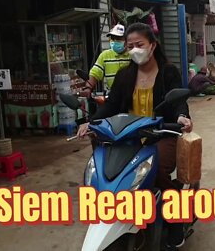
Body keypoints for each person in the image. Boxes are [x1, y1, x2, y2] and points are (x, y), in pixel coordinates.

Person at [77, 23, 193, 247]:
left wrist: (181, 117)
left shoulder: (168, 71)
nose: (134, 50)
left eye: (139, 44)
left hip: (160, 134)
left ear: (152, 45)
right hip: (127, 136)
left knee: (157, 172)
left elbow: (178, 101)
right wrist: (90, 122)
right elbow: (110, 106)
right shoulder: (125, 75)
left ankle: (177, 219)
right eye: (130, 46)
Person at [88, 23, 131, 91]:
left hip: (131, 94)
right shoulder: (105, 55)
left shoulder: (132, 55)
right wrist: (88, 87)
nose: (115, 41)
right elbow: (95, 73)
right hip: (112, 94)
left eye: (119, 38)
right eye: (113, 38)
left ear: (127, 40)